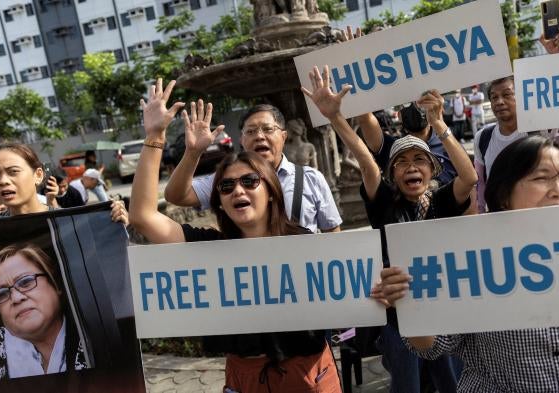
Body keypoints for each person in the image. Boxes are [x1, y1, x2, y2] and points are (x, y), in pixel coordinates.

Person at [379, 135, 559, 392]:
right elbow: (434, 346)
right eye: (541, 178)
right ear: (504, 196)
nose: (558, 190)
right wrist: (409, 306)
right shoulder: (470, 259)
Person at [129, 80, 341, 393]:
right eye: (227, 187)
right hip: (246, 378)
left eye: (249, 181)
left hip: (310, 375)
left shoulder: (307, 244)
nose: (238, 190)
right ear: (220, 202)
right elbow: (143, 216)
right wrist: (155, 136)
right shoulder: (209, 248)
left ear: (271, 191)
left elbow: (349, 282)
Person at [302, 65, 477, 393]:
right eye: (401, 162)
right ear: (393, 175)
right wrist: (337, 118)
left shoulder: (442, 200)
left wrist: (439, 124)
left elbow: (469, 178)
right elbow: (368, 162)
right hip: (398, 317)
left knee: (453, 386)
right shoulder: (384, 203)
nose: (411, 166)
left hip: (445, 312)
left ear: (431, 168)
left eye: (419, 160)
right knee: (407, 387)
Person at [162, 82, 341, 233]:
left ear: (284, 136)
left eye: (268, 129)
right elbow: (176, 196)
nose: (259, 136)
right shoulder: (227, 181)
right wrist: (192, 153)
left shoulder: (311, 179)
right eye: (251, 131)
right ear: (242, 140)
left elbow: (333, 236)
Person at [0, 244, 86, 383]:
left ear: (55, 284)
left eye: (26, 282)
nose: (16, 298)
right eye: (2, 293)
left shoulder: (92, 332)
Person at [473, 25, 559, 213]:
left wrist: (558, 58)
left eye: (507, 95)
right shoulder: (482, 138)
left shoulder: (541, 128)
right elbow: (481, 186)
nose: (500, 102)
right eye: (494, 97)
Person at [0, 143, 126, 222]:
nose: (3, 181)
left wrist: (115, 220)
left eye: (13, 171)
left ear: (38, 175)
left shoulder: (68, 222)